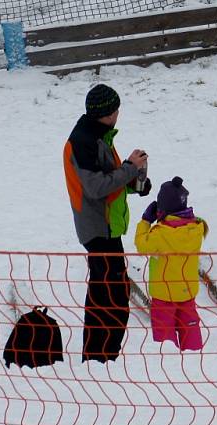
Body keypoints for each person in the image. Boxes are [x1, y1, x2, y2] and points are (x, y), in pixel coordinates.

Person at [63, 83, 152, 363]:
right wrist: (129, 168)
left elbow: (110, 179)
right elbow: (96, 187)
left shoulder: (100, 136)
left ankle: (98, 358)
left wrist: (136, 183)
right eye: (117, 110)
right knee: (111, 299)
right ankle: (101, 359)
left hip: (108, 227)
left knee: (106, 295)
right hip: (97, 230)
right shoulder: (83, 142)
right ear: (110, 113)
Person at [134, 176, 208, 351]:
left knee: (164, 333)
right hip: (187, 292)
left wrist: (146, 221)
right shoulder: (197, 229)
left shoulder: (161, 234)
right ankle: (195, 356)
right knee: (190, 329)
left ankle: (168, 362)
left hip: (164, 294)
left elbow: (141, 245)